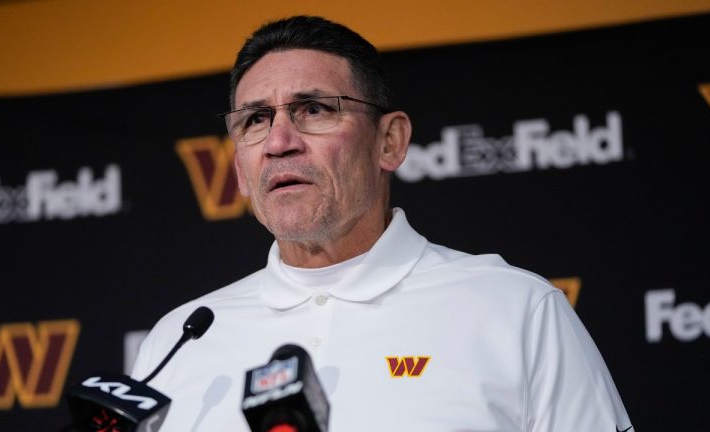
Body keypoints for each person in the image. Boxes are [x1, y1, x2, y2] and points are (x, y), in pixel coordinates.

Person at [132, 15, 632, 431]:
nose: (279, 140)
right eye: (256, 120)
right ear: (239, 164)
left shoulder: (516, 310)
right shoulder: (176, 341)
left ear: (389, 141)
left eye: (313, 109)